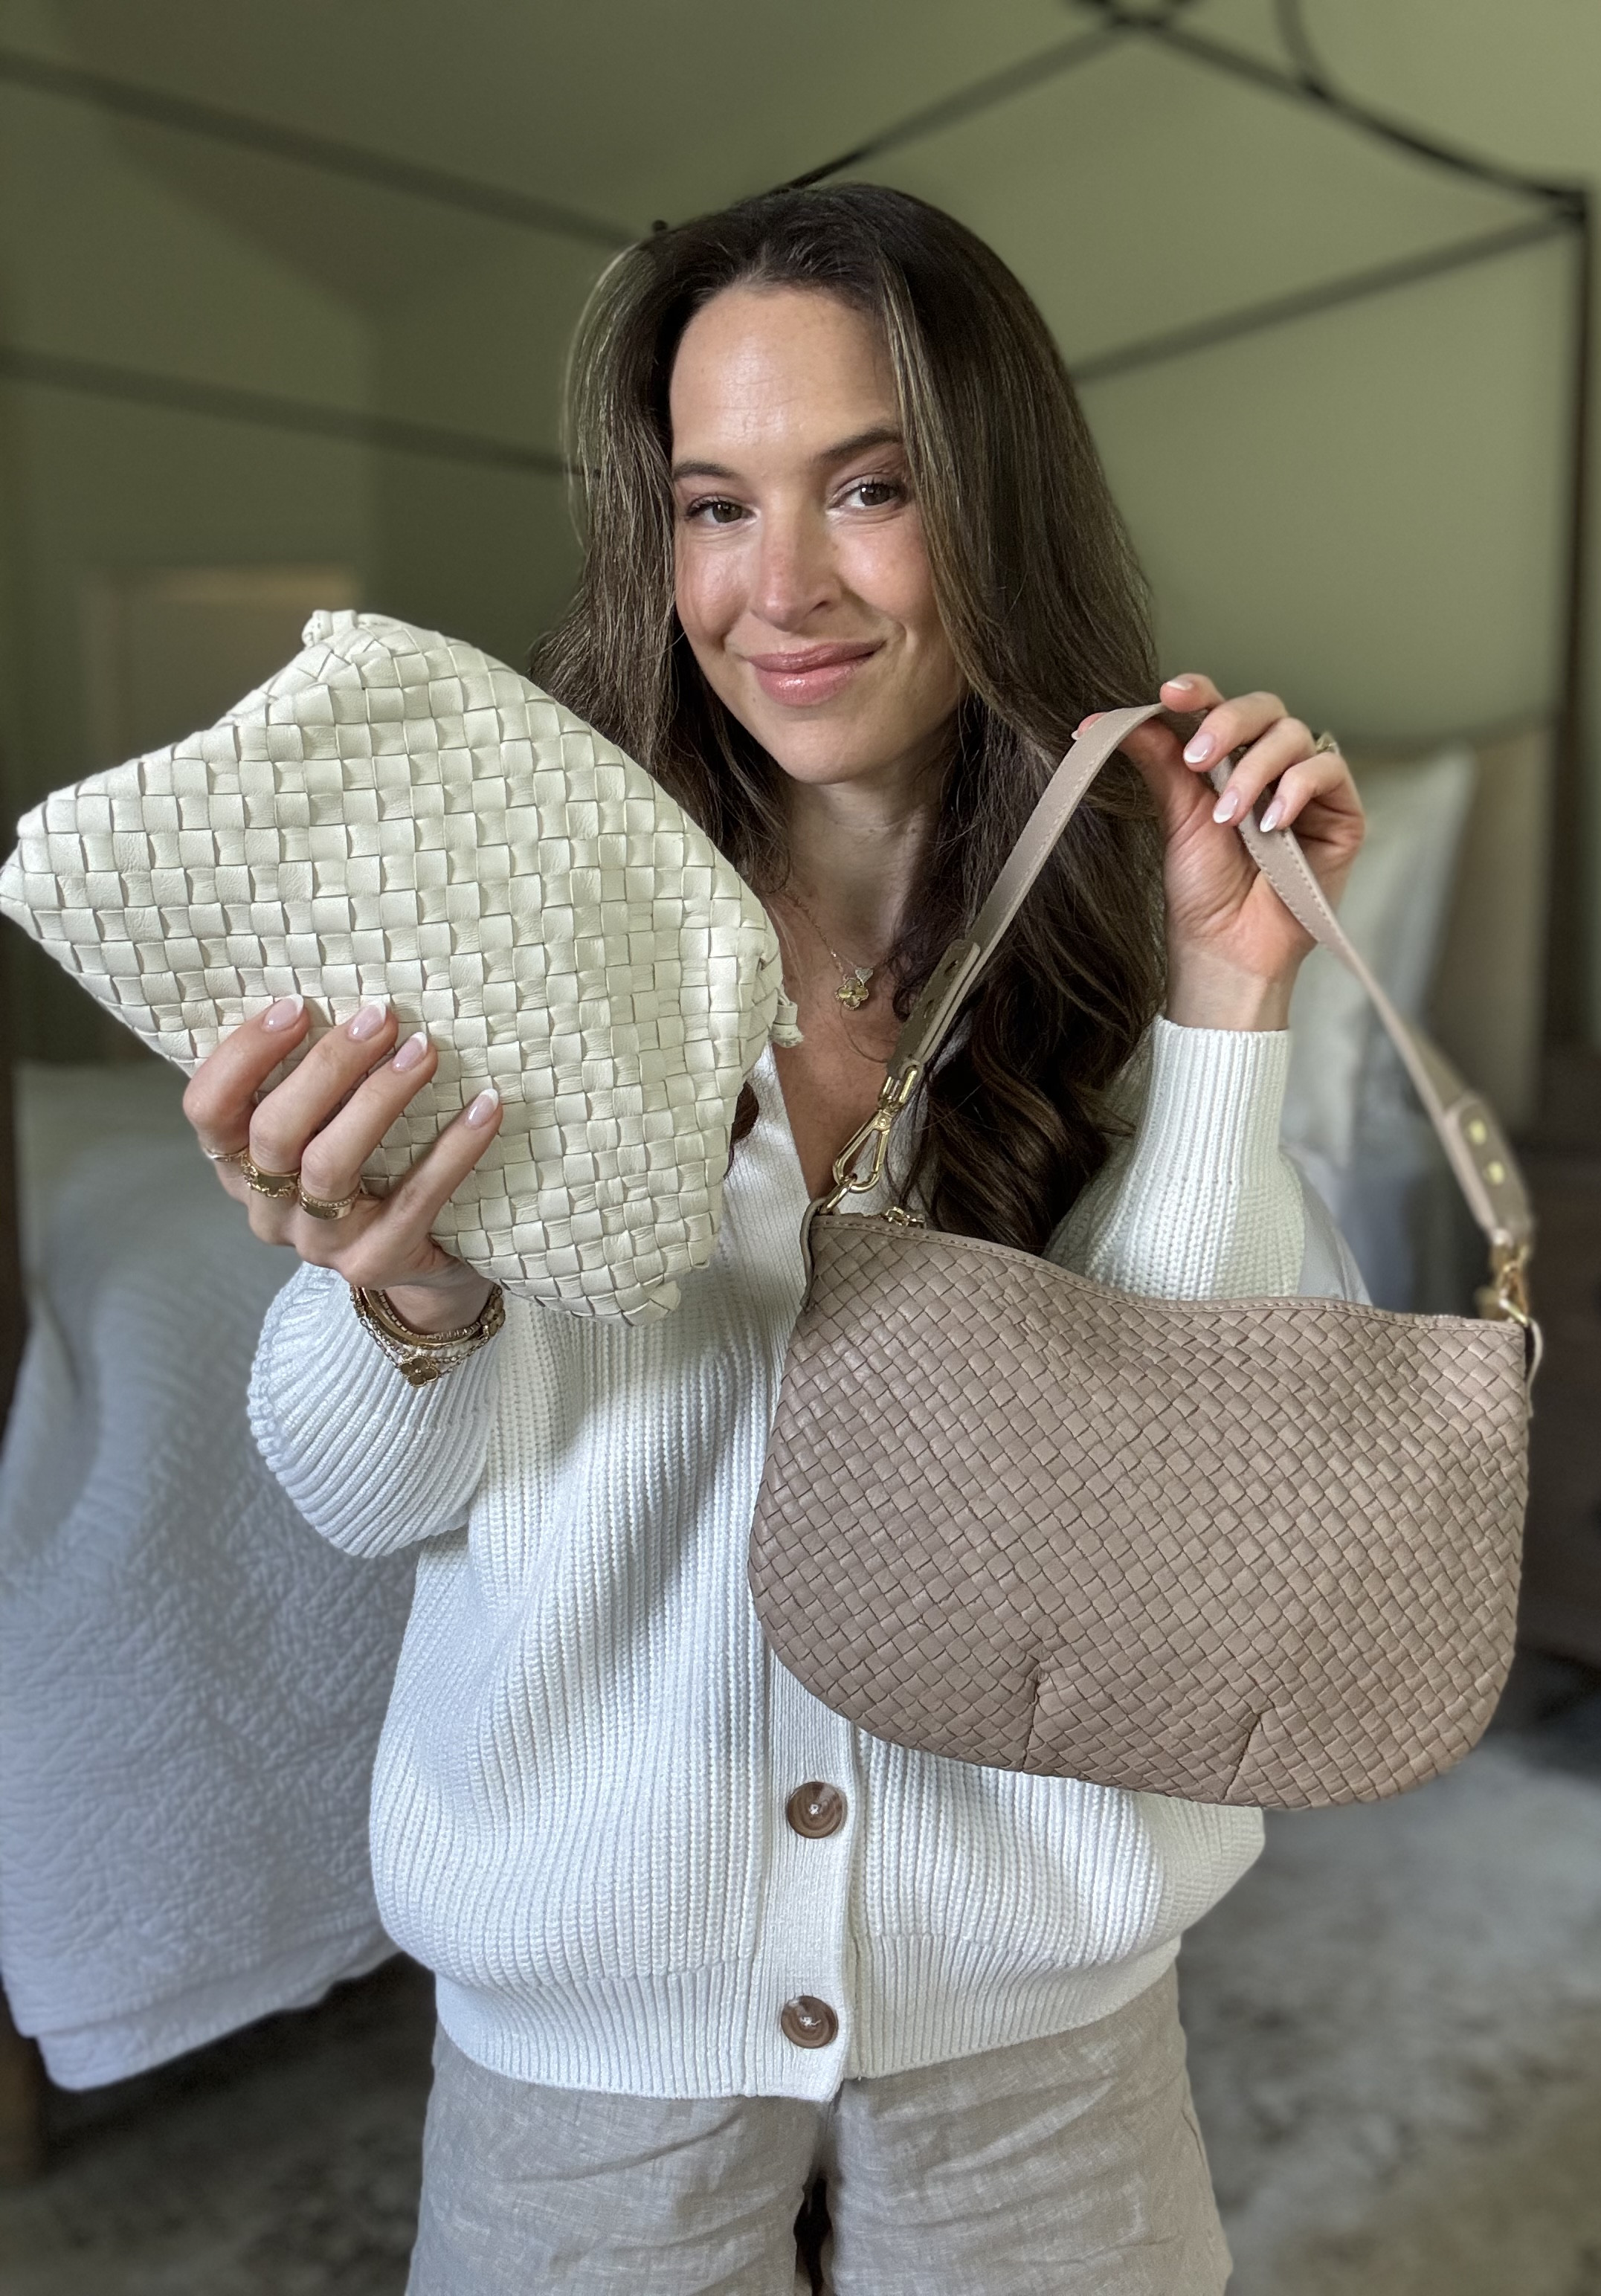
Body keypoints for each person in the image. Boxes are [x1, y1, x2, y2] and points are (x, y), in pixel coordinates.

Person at [184, 184, 1365, 2295]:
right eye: (712, 506)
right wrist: (411, 1296)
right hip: (589, 2060)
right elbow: (356, 1491)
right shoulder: (511, 909)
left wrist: (1228, 1008)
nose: (779, 587)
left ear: (993, 506)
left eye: (870, 489)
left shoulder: (1157, 929)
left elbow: (1198, 1494)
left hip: (1039, 2035)